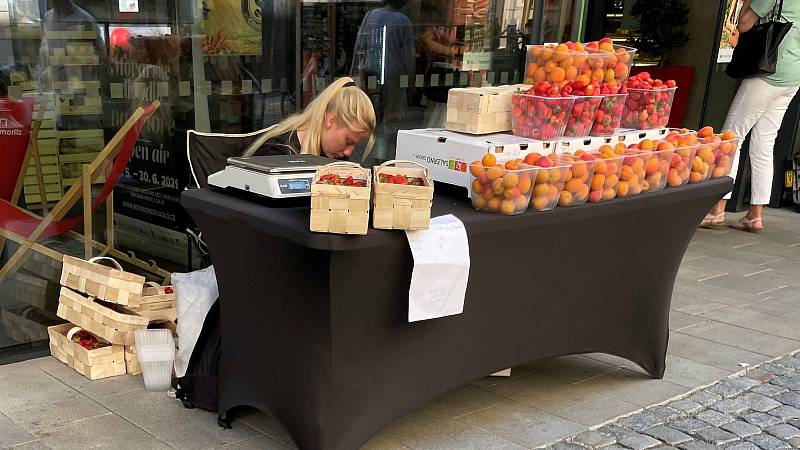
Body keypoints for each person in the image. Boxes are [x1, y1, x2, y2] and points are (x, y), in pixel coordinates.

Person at [702, 0, 800, 233]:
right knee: (764, 142)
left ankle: (717, 210)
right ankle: (755, 215)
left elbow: (744, 24)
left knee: (730, 137)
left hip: (766, 72)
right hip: (792, 75)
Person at [243, 77, 376, 160]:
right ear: (331, 120)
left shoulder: (333, 157)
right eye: (348, 141)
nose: (349, 152)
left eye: (355, 145)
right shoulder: (275, 154)